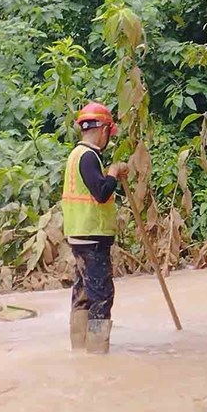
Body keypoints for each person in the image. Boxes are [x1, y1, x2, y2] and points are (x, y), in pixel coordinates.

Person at [62, 102, 128, 354]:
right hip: (91, 236)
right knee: (101, 295)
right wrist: (112, 172)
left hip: (79, 235)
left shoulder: (76, 155)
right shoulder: (88, 157)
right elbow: (101, 193)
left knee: (83, 293)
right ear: (104, 130)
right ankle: (98, 352)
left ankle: (80, 350)